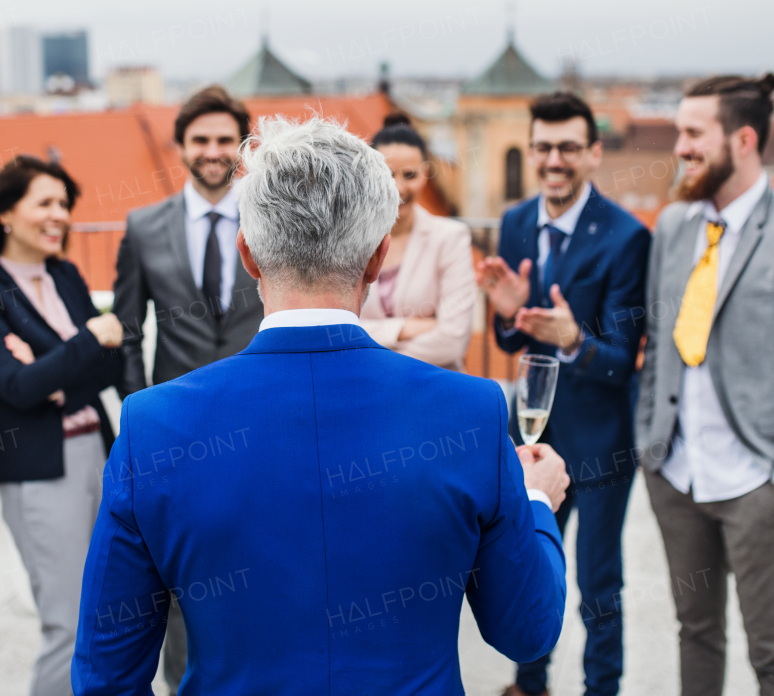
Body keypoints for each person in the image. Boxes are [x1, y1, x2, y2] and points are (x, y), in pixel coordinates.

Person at [73, 115, 571, 696]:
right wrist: (536, 500)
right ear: (377, 258)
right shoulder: (472, 410)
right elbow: (527, 631)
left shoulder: (152, 425)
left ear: (249, 254)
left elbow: (106, 675)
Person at [636, 74, 774, 696]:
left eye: (692, 133)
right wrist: (649, 446)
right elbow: (660, 346)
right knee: (696, 635)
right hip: (676, 478)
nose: (679, 146)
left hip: (760, 489)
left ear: (742, 139)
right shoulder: (674, 226)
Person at [476, 92, 650, 696]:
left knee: (599, 587)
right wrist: (504, 315)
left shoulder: (627, 237)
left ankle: (601, 688)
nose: (555, 159)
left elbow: (623, 360)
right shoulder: (518, 220)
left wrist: (576, 339)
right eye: (544, 146)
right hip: (534, 432)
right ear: (532, 150)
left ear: (593, 153)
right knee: (530, 563)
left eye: (569, 147)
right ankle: (529, 684)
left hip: (600, 441)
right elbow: (513, 331)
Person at [111, 84, 265, 690]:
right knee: (174, 573)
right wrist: (136, 412)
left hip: (258, 424)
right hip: (174, 434)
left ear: (242, 147)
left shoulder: (269, 220)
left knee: (257, 562)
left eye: (225, 139)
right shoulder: (143, 227)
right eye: (201, 139)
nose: (212, 150)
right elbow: (125, 331)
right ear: (181, 146)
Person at [0, 156, 124, 696]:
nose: (60, 216)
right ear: (7, 212)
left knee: (112, 610)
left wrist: (53, 369)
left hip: (98, 449)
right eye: (45, 203)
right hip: (42, 468)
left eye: (64, 205)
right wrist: (87, 342)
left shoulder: (66, 274)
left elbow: (110, 368)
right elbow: (16, 388)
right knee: (68, 623)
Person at [358, 114, 476, 370]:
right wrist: (404, 328)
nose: (399, 188)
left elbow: (453, 340)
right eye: (388, 174)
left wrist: (376, 358)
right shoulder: (352, 240)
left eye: (409, 175)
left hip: (432, 390)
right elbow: (342, 329)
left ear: (425, 174)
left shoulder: (451, 238)